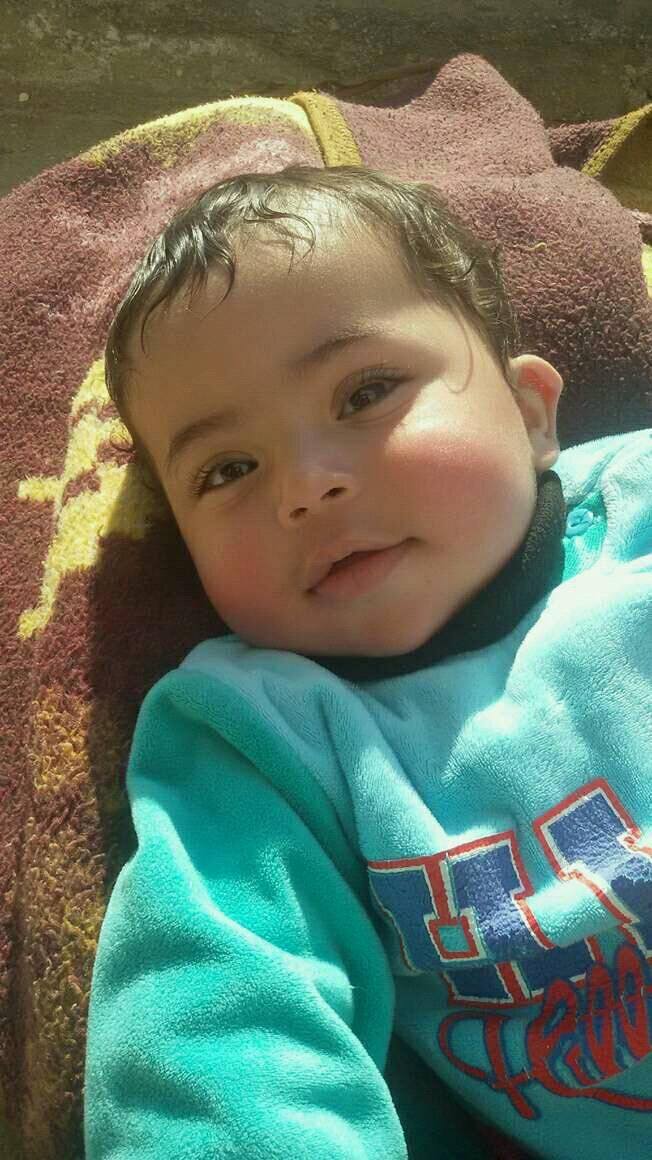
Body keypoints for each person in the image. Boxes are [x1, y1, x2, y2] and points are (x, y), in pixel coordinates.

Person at [84, 164, 652, 1160]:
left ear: (529, 411)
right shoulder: (256, 738)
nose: (305, 485)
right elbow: (222, 1027)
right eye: (227, 469)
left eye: (365, 391)